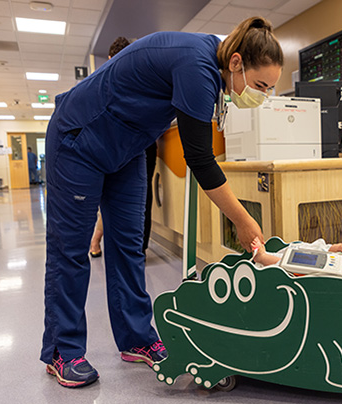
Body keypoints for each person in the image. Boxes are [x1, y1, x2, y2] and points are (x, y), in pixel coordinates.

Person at [42, 16, 283, 388]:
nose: (262, 95)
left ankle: (136, 338)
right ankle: (63, 351)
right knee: (70, 249)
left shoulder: (211, 67)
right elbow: (200, 160)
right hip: (80, 136)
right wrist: (242, 219)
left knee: (128, 244)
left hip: (128, 145)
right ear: (236, 62)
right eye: (261, 85)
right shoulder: (197, 64)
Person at [89, 37, 132, 259]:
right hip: (105, 149)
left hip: (127, 150)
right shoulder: (101, 82)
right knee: (107, 202)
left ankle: (100, 241)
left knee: (118, 204)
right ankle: (96, 239)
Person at [251, 220, 342, 269]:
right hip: (319, 259)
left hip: (317, 270)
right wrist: (337, 247)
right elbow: (327, 249)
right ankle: (267, 256)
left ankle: (263, 257)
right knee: (296, 255)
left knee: (290, 263)